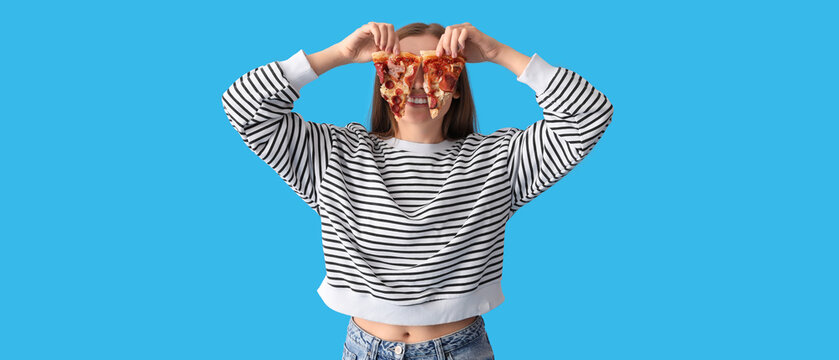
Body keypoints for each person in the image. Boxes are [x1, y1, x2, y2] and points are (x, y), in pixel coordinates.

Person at [221, 21, 613, 360]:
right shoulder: (332, 155)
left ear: (457, 85)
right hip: (364, 347)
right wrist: (337, 55)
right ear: (381, 78)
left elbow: (588, 116)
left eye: (439, 69)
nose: (420, 83)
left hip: (460, 348)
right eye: (400, 68)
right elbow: (243, 106)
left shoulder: (499, 159)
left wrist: (499, 53)